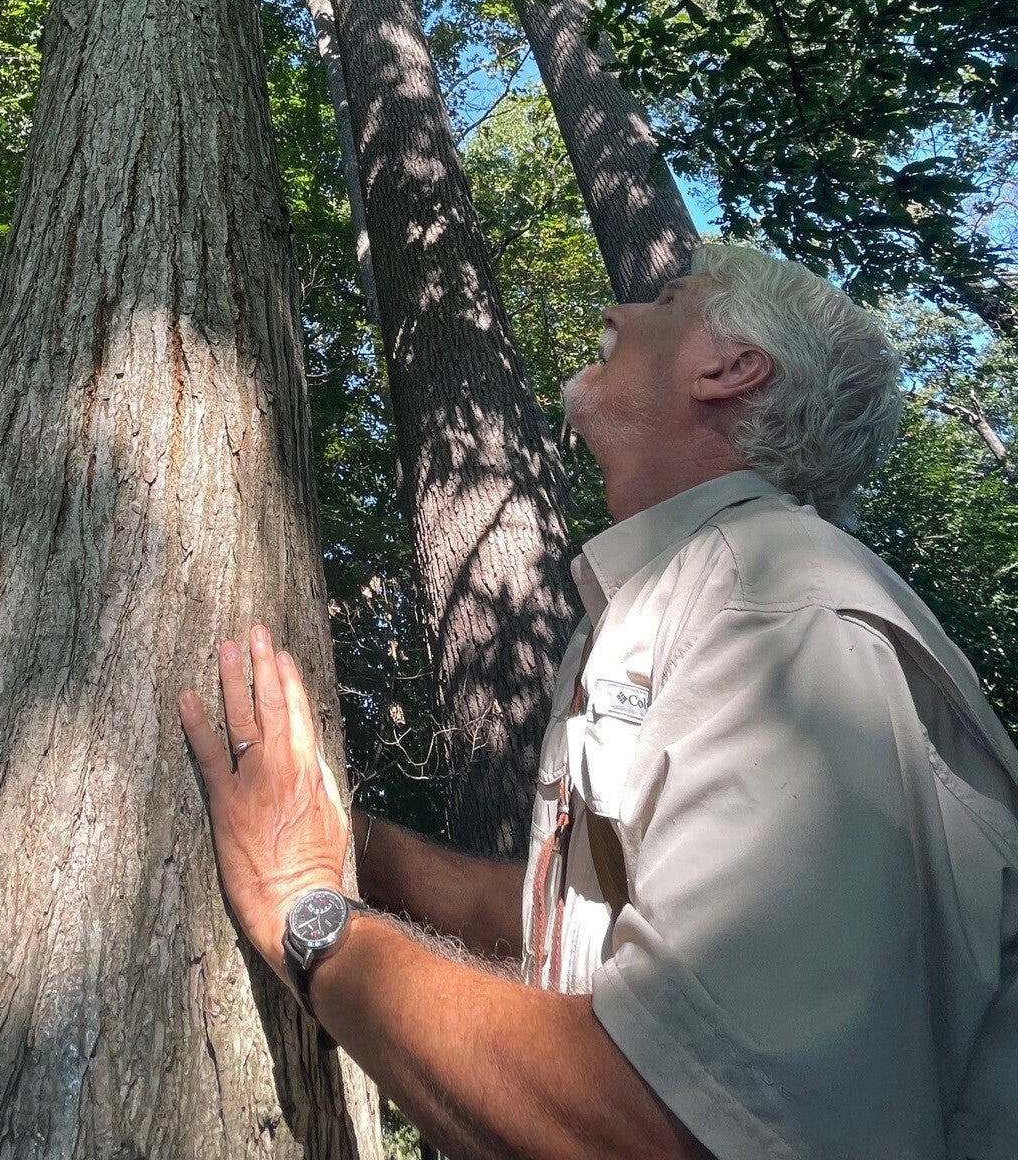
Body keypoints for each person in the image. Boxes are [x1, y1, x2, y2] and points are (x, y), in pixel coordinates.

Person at [180, 243, 1018, 1160]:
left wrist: (303, 906)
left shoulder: (778, 608)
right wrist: (349, 841)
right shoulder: (677, 599)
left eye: (667, 297)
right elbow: (570, 924)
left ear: (728, 369)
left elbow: (672, 1122)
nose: (618, 312)